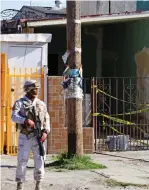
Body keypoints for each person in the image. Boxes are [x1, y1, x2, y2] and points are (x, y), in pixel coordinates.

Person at [11, 80, 50, 190]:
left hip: (38, 137)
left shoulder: (41, 104)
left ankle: (38, 183)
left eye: (37, 88)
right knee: (22, 160)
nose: (36, 91)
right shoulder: (19, 103)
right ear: (27, 89)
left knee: (40, 159)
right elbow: (13, 116)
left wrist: (46, 132)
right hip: (25, 136)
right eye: (33, 89)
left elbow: (47, 119)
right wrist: (24, 120)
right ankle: (20, 183)